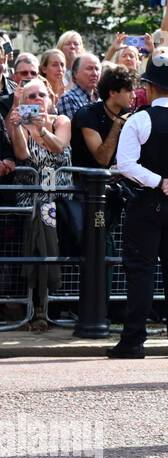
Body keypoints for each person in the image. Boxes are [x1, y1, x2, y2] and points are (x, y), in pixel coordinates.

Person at [108, 55, 168, 359]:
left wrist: (159, 181)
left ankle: (133, 341)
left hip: (146, 203)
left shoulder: (139, 120)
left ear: (148, 85)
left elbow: (126, 164)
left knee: (141, 272)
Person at [6, 77, 72, 330]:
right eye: (30, 97)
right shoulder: (20, 124)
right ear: (23, 102)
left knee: (44, 214)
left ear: (51, 98)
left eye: (41, 96)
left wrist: (42, 129)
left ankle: (39, 303)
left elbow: (60, 147)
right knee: (41, 216)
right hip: (30, 199)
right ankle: (40, 306)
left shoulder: (60, 121)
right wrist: (17, 127)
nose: (36, 101)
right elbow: (22, 154)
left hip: (59, 198)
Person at [57, 53, 101, 119]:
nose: (94, 73)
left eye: (97, 69)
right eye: (89, 69)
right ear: (75, 73)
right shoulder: (68, 99)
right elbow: (76, 129)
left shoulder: (102, 98)